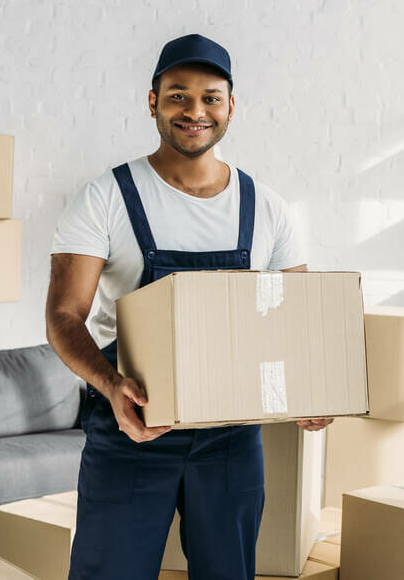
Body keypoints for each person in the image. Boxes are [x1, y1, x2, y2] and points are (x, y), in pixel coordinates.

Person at [45, 33, 329, 580]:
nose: (194, 111)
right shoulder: (105, 197)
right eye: (178, 95)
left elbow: (298, 321)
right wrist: (110, 388)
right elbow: (63, 316)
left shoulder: (266, 208)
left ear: (230, 108)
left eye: (210, 97)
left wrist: (308, 390)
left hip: (231, 437)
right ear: (152, 101)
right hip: (130, 429)